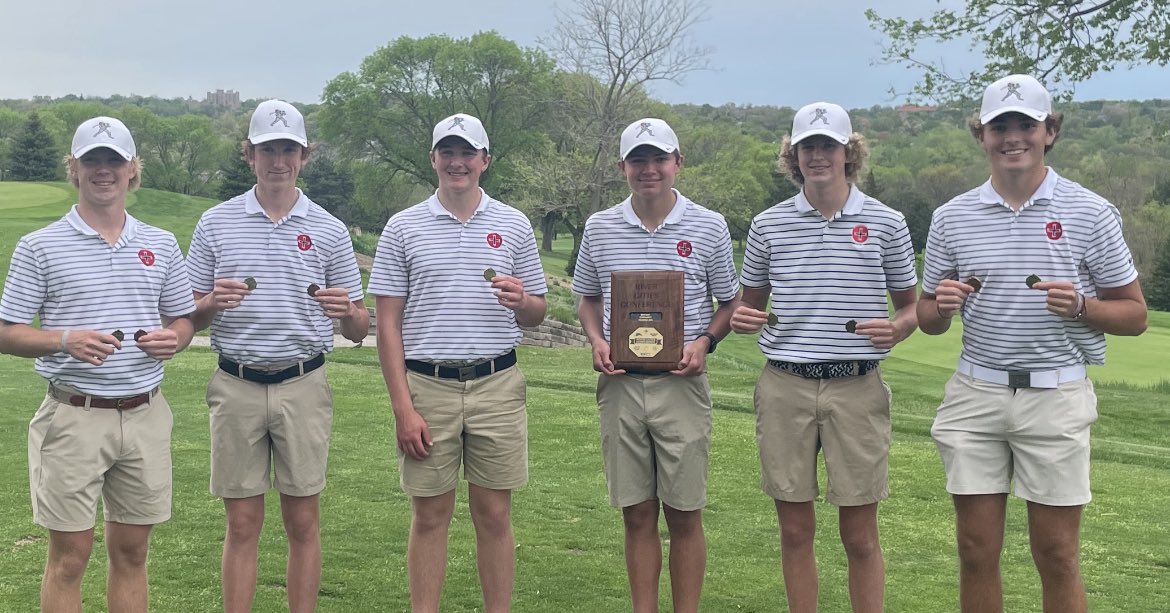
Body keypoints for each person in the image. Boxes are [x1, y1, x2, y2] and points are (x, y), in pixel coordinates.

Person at [917, 74, 1148, 613]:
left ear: (1049, 132)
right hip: (976, 393)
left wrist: (1083, 308)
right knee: (975, 551)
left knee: (1058, 553)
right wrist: (941, 306)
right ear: (982, 135)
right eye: (1000, 126)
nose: (1012, 137)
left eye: (1026, 124)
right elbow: (927, 318)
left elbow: (1134, 315)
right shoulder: (953, 216)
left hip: (1056, 398)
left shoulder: (1090, 212)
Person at [0, 116, 196, 613]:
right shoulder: (40, 246)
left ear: (133, 169)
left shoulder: (162, 242)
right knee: (70, 559)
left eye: (114, 160)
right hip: (73, 416)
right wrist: (64, 340)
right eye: (92, 160)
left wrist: (173, 338)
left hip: (145, 413)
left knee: (133, 552)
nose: (103, 170)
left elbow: (183, 319)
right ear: (75, 168)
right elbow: (7, 332)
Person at [730, 102, 918, 612]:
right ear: (793, 156)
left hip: (856, 385)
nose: (817, 156)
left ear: (847, 152)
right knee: (794, 529)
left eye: (827, 147)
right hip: (785, 383)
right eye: (807, 148)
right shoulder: (768, 225)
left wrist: (897, 330)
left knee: (859, 533)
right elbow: (750, 305)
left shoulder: (885, 222)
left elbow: (911, 306)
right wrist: (743, 319)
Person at [186, 99, 369, 613]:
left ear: (304, 155)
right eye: (268, 149)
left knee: (303, 522)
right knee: (242, 524)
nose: (279, 160)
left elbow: (359, 327)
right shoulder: (216, 223)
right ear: (249, 154)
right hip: (236, 382)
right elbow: (188, 316)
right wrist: (210, 303)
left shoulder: (329, 229)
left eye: (289, 149)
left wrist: (346, 313)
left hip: (303, 385)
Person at [368, 112, 548, 613]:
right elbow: (387, 325)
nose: (457, 162)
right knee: (430, 515)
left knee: (494, 513)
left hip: (497, 382)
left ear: (485, 161)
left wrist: (523, 301)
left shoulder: (512, 224)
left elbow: (538, 312)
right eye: (447, 152)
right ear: (433, 159)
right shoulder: (403, 227)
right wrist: (403, 408)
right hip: (428, 386)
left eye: (467, 153)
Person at [572, 117, 738, 613]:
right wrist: (598, 340)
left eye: (659, 159)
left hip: (681, 385)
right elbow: (587, 298)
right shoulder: (599, 227)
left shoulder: (708, 226)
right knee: (637, 514)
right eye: (638, 160)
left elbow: (728, 302)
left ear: (677, 163)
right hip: (621, 385)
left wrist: (705, 342)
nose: (649, 170)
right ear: (622, 166)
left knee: (685, 514)